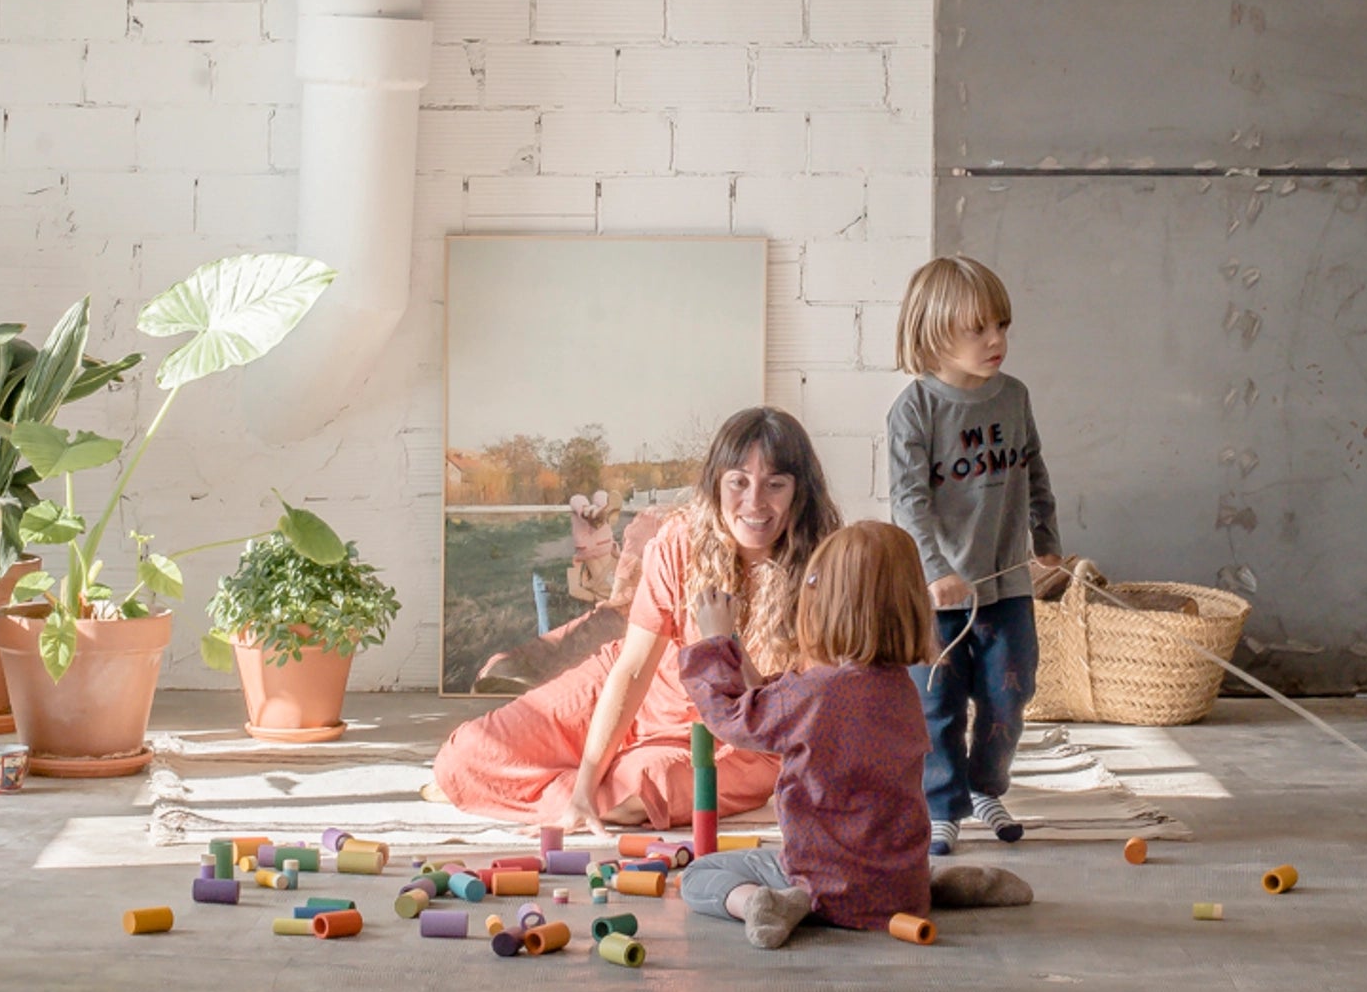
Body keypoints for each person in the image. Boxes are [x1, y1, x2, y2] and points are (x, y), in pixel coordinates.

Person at [429, 406, 840, 830]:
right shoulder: (682, 539)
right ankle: (574, 786)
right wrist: (585, 787)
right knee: (466, 755)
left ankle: (530, 789)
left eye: (775, 484)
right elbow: (633, 668)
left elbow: (791, 715)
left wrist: (726, 646)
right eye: (738, 482)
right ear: (717, 484)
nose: (754, 502)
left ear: (799, 491)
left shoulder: (827, 568)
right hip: (642, 687)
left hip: (740, 740)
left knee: (637, 792)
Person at [678, 521, 1032, 949]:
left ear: (827, 606)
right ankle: (935, 885)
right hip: (899, 887)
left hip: (823, 886)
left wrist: (714, 642)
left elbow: (733, 718)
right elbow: (774, 697)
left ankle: (768, 901)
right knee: (890, 869)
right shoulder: (898, 687)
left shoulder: (816, 694)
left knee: (701, 874)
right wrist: (734, 644)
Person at [887, 255, 1062, 856]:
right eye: (978, 329)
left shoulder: (1013, 397)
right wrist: (937, 572)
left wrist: (1048, 545)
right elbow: (909, 500)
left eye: (1003, 326)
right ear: (934, 332)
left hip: (1006, 587)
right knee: (935, 705)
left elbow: (1035, 471)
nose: (997, 341)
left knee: (1009, 693)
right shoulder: (915, 409)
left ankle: (986, 787)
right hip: (935, 598)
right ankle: (942, 805)